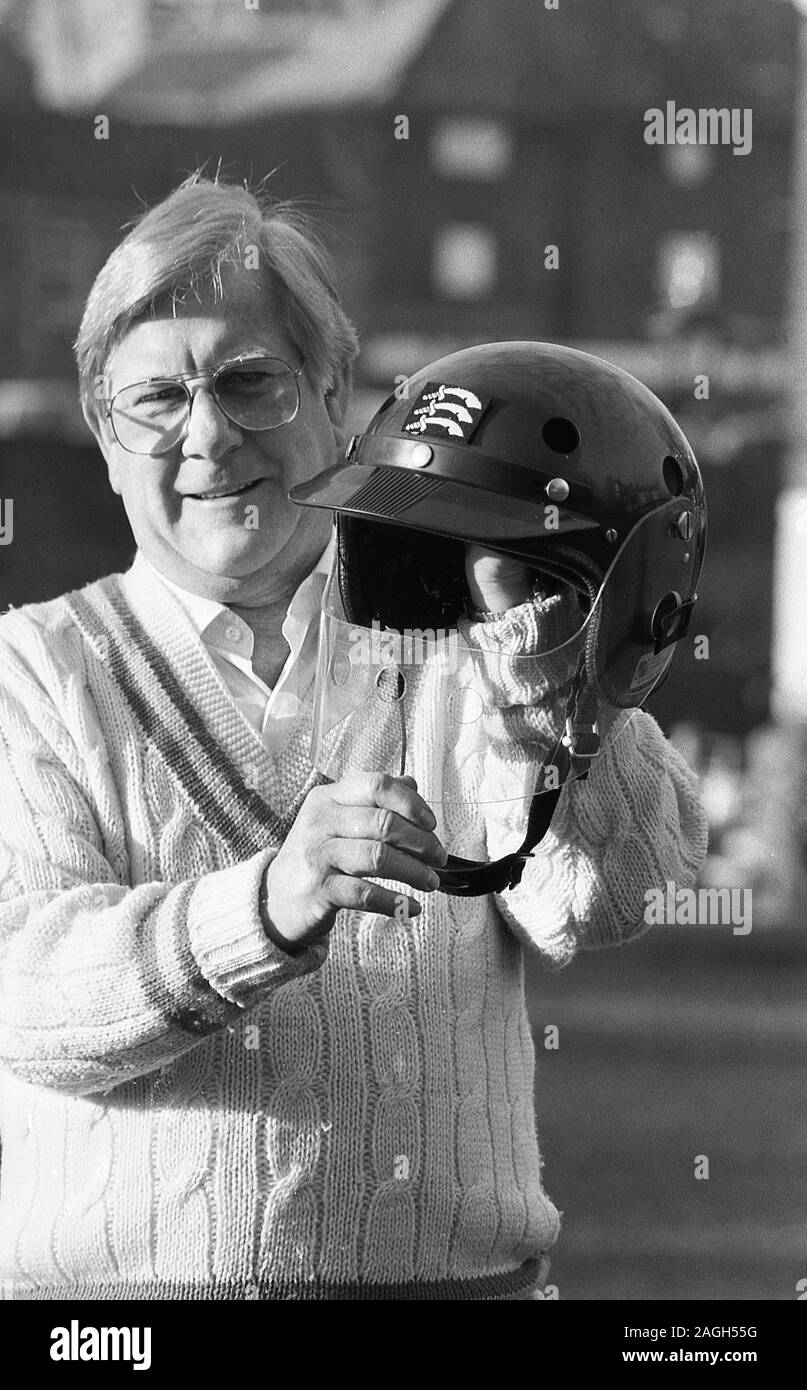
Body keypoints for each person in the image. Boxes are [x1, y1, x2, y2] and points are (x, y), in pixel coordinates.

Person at [0, 174, 707, 1302]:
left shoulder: (466, 623)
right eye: (157, 399)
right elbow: (28, 1001)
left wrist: (537, 636)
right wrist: (270, 904)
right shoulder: (32, 668)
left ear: (332, 390)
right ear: (101, 427)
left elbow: (613, 895)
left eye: (250, 383)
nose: (208, 435)